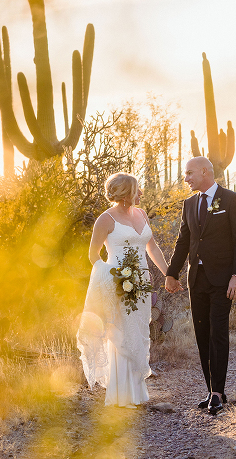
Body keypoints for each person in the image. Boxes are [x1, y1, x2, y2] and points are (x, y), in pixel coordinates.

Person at [77, 172, 171, 408]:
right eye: (137, 189)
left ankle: (137, 393)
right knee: (121, 333)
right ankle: (121, 396)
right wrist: (112, 277)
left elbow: (152, 247)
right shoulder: (105, 220)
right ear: (127, 193)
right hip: (118, 282)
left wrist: (169, 272)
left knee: (138, 331)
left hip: (141, 282)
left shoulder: (141, 214)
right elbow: (93, 255)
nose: (141, 193)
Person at [165, 156, 236, 415]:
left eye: (189, 173)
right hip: (196, 280)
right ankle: (211, 388)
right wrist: (171, 273)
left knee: (218, 332)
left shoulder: (231, 200)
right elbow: (183, 241)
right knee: (202, 335)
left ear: (204, 172)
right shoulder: (189, 203)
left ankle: (217, 393)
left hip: (223, 280)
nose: (186, 178)